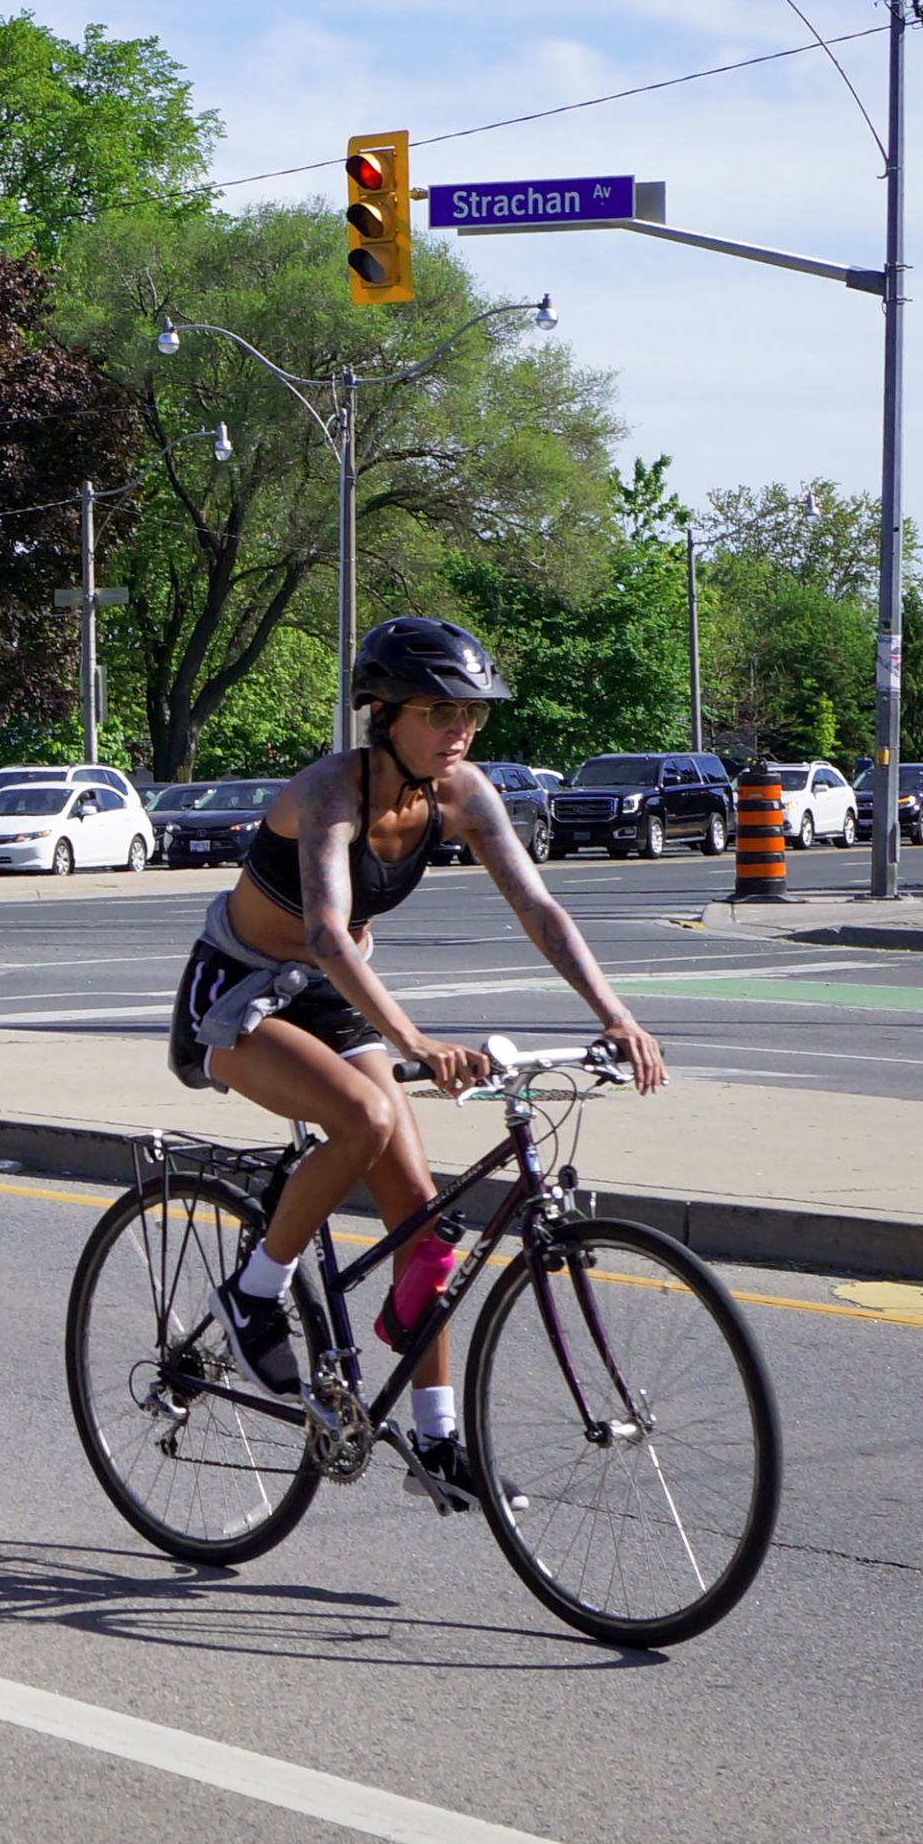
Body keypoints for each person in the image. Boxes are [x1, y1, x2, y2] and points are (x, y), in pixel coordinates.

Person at [175, 617, 669, 1510]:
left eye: (471, 714)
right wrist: (416, 1044)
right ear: (383, 710)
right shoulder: (330, 790)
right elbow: (327, 930)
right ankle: (255, 1294)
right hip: (239, 994)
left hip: (332, 998)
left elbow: (540, 907)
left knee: (426, 1234)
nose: (461, 730)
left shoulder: (462, 794)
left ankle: (438, 1444)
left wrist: (616, 1015)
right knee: (361, 1119)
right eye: (440, 712)